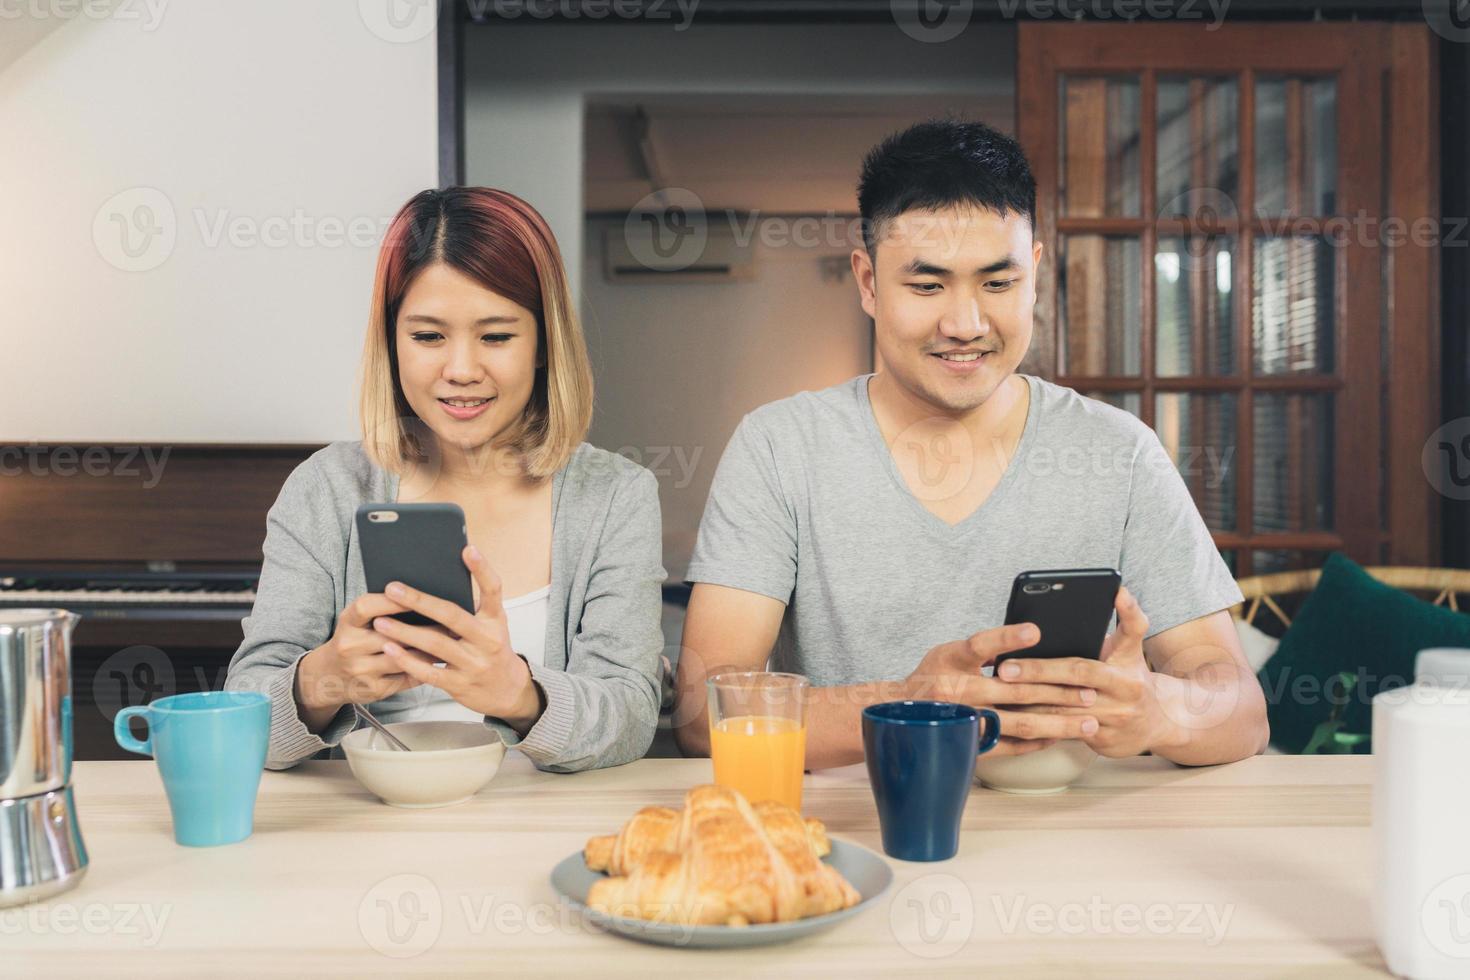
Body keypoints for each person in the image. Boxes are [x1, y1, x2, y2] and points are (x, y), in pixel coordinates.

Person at [673, 120, 1268, 770]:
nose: (965, 325)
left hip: (1079, 842)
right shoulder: (779, 447)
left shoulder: (1118, 452)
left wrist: (1159, 709)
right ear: (868, 283)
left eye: (997, 283)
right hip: (855, 837)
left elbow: (1241, 709)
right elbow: (704, 712)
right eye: (927, 286)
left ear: (1035, 274)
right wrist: (905, 703)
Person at [227, 187, 665, 773]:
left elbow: (633, 717)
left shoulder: (615, 496)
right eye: (428, 336)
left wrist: (520, 696)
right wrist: (320, 682)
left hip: (537, 825)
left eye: (497, 336)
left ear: (543, 346)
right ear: (392, 343)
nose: (461, 371)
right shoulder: (327, 488)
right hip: (362, 830)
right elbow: (240, 718)